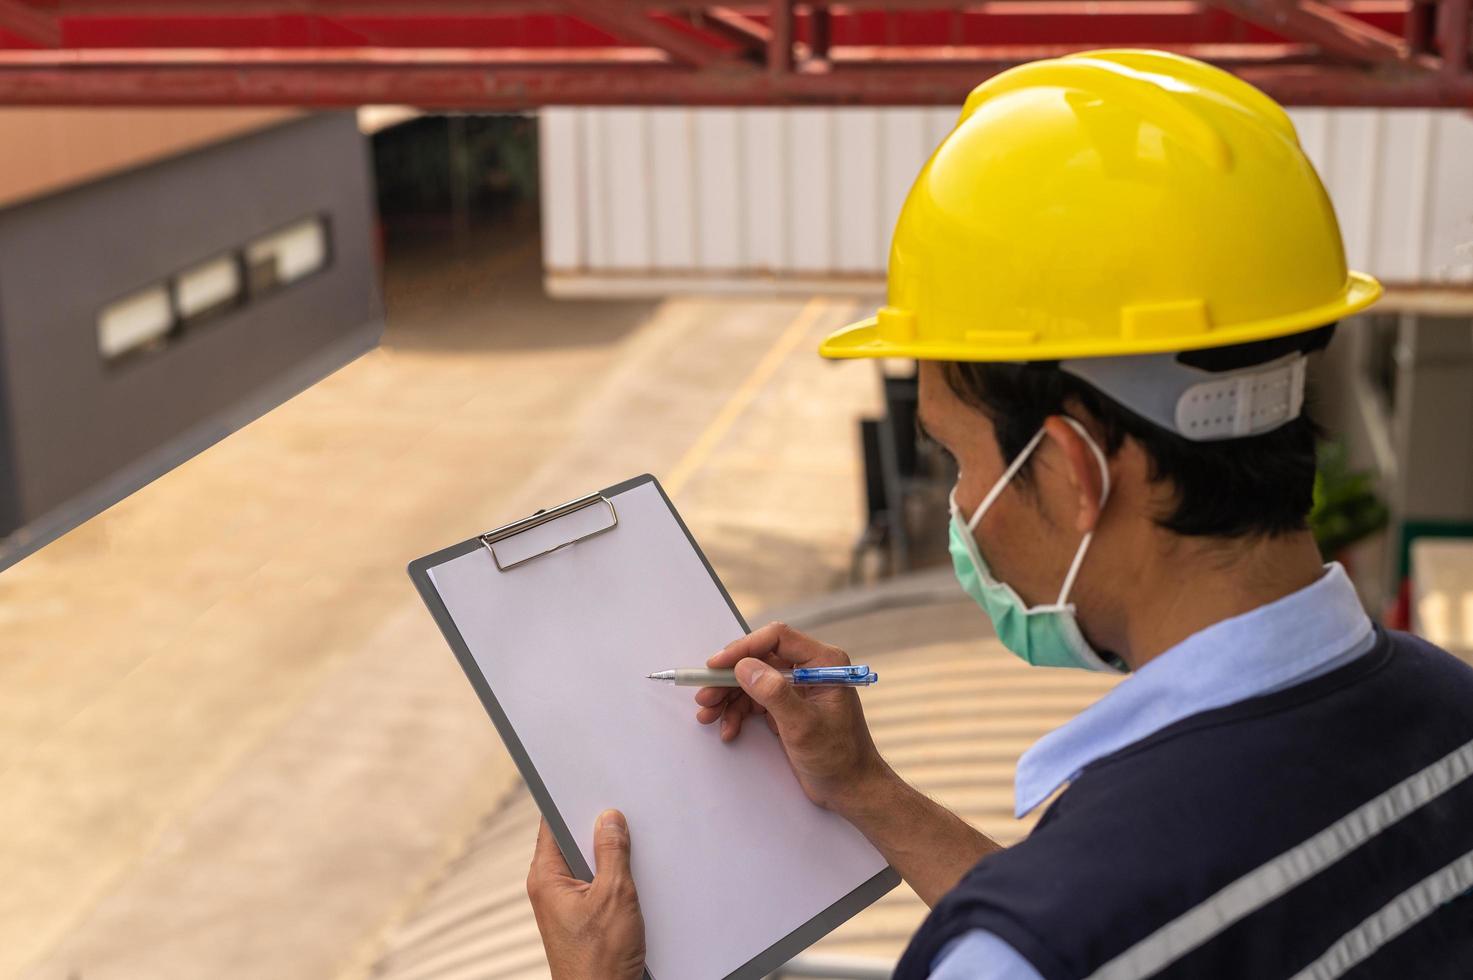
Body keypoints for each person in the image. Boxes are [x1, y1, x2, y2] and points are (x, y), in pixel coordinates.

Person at [525, 49, 1473, 978]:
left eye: (956, 454)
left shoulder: (1043, 939)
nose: (959, 507)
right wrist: (866, 790)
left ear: (1071, 471)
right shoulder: (1450, 715)